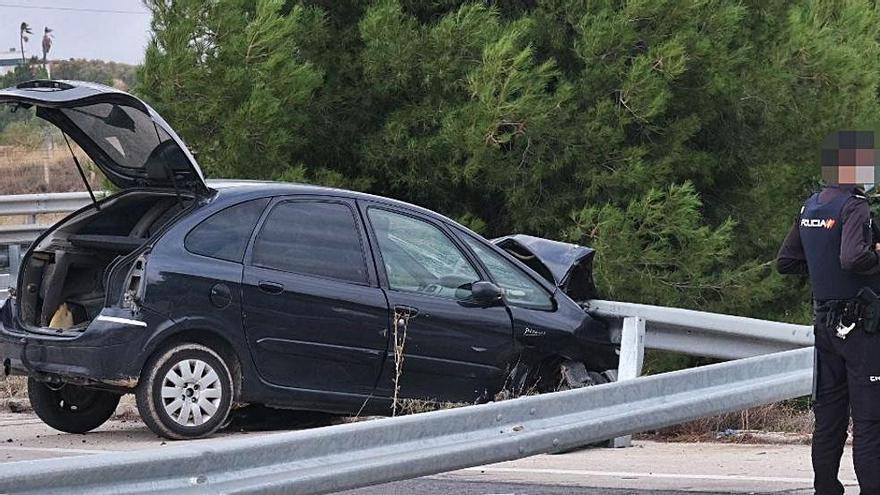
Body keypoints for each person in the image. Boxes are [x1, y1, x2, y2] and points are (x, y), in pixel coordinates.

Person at [777, 130, 880, 495]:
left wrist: (823, 269)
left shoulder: (812, 205)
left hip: (825, 324)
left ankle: (826, 488)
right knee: (870, 419)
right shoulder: (855, 206)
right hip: (860, 328)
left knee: (830, 416)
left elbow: (786, 262)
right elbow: (853, 257)